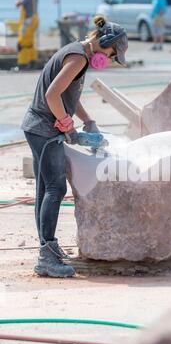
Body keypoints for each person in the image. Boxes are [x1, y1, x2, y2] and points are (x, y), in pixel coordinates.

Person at [21, 15, 128, 278]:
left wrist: (87, 120)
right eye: (113, 55)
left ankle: (48, 248)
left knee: (45, 188)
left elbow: (67, 94)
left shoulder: (76, 52)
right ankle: (46, 256)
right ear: (105, 43)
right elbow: (52, 95)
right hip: (44, 130)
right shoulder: (79, 57)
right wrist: (67, 125)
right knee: (55, 188)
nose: (110, 60)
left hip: (37, 126)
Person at [15, 0, 39, 70]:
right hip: (34, 20)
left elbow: (18, 4)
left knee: (22, 43)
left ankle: (22, 64)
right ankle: (32, 63)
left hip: (28, 21)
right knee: (30, 43)